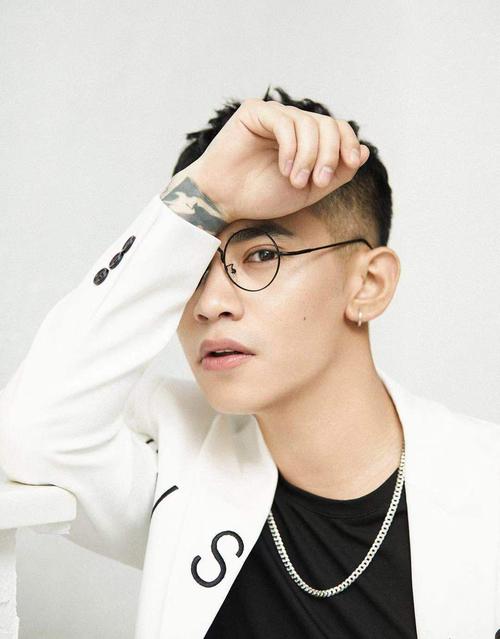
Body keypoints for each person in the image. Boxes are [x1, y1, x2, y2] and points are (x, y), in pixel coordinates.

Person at [0, 86, 498, 639]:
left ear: (369, 284)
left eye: (262, 254)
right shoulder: (181, 464)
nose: (210, 303)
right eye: (193, 269)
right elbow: (36, 430)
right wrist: (201, 196)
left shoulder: (484, 487)